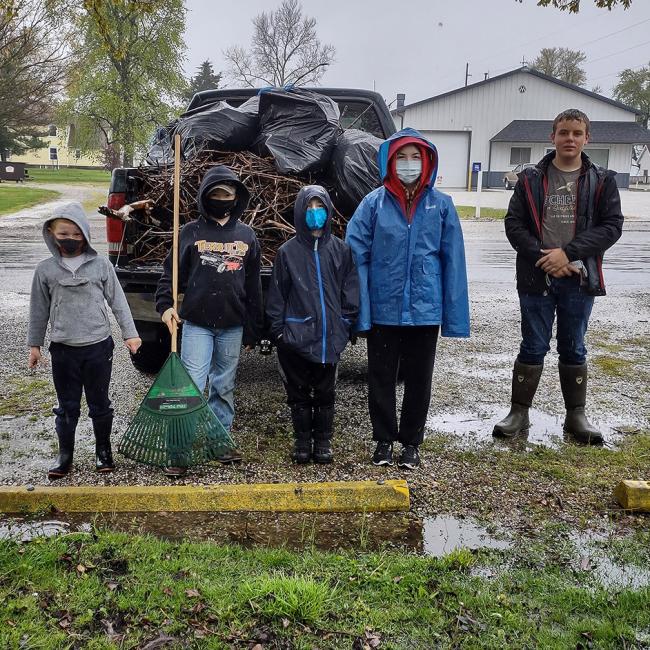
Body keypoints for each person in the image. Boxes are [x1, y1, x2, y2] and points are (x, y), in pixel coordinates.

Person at [493, 109, 623, 444]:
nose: (570, 139)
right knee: (533, 345)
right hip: (537, 275)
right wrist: (544, 256)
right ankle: (518, 413)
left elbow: (611, 227)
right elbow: (514, 224)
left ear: (586, 138)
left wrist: (569, 254)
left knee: (574, 347)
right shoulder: (531, 179)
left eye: (577, 133)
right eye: (564, 132)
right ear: (552, 136)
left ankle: (576, 417)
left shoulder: (602, 180)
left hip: (580, 278)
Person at [346, 128, 470, 469]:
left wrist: (454, 317)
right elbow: (356, 257)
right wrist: (362, 312)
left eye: (416, 157)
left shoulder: (441, 206)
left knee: (419, 380)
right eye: (402, 156)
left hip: (425, 311)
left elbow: (453, 262)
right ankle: (383, 441)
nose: (409, 164)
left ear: (428, 161)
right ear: (390, 160)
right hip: (384, 309)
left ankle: (411, 444)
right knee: (381, 377)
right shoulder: (372, 204)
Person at [156, 165, 262, 474]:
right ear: (205, 197)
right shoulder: (189, 232)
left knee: (223, 386)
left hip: (232, 325)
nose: (221, 199)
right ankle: (178, 450)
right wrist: (165, 306)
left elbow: (253, 285)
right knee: (191, 385)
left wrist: (254, 329)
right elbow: (169, 276)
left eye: (227, 194)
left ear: (235, 198)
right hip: (197, 324)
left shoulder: (246, 235)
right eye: (215, 194)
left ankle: (220, 441)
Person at [27, 202, 142, 479]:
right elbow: (38, 309)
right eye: (64, 234)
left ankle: (103, 451)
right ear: (52, 234)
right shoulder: (45, 270)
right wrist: (35, 345)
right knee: (67, 406)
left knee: (99, 403)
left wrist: (131, 334)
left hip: (98, 347)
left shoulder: (101, 265)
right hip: (64, 349)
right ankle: (65, 455)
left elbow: (118, 302)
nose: (70, 240)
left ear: (86, 236)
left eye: (77, 235)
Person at [266, 185, 359, 464]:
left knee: (325, 392)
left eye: (320, 208)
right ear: (299, 212)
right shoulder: (288, 252)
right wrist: (279, 332)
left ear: (329, 211)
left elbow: (350, 292)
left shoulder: (341, 251)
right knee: (298, 393)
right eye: (309, 208)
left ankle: (323, 442)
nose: (315, 213)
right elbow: (277, 295)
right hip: (295, 337)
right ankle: (302, 442)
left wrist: (344, 325)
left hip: (329, 338)